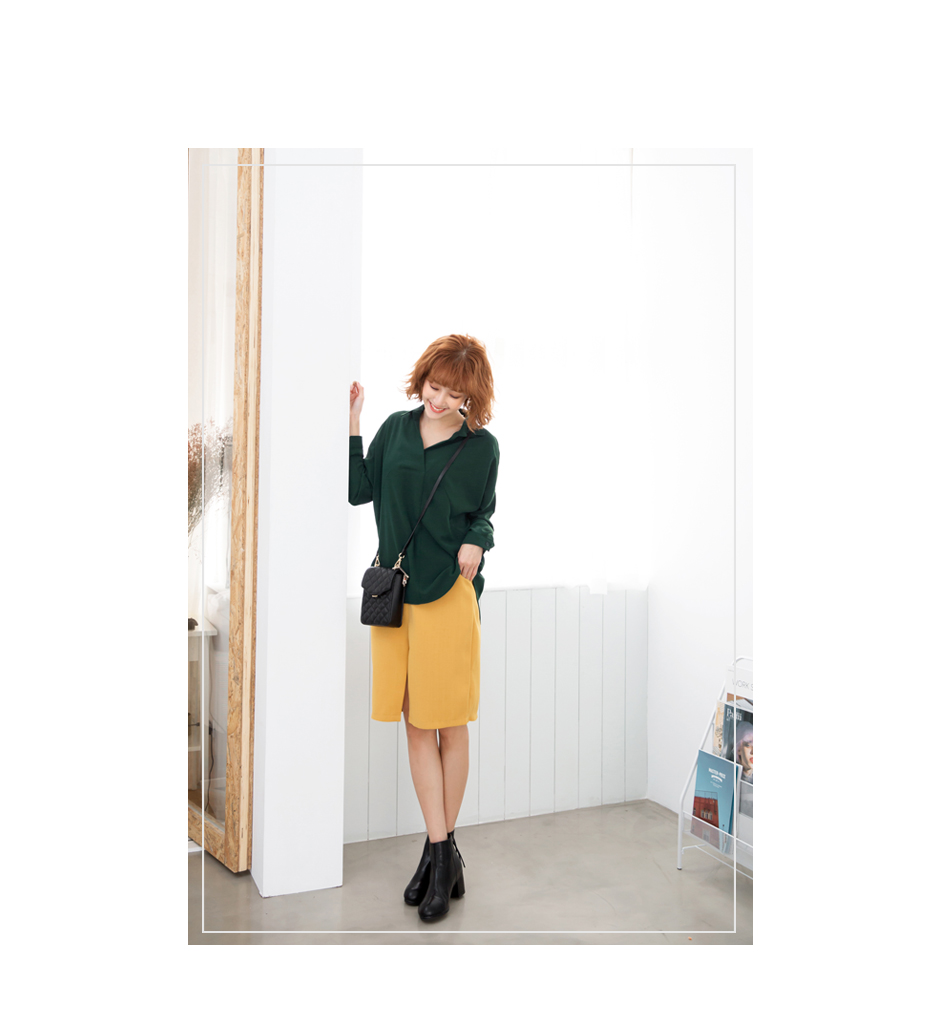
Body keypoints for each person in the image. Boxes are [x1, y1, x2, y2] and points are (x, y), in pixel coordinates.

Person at [348, 333, 499, 922]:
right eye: (435, 387)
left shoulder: (481, 448)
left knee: (449, 725)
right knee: (415, 724)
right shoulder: (394, 430)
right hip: (396, 598)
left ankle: (438, 856)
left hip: (448, 598)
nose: (440, 401)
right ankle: (443, 855)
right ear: (422, 379)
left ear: (471, 397)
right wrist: (354, 424)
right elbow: (359, 491)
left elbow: (484, 514)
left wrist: (476, 540)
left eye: (454, 395)